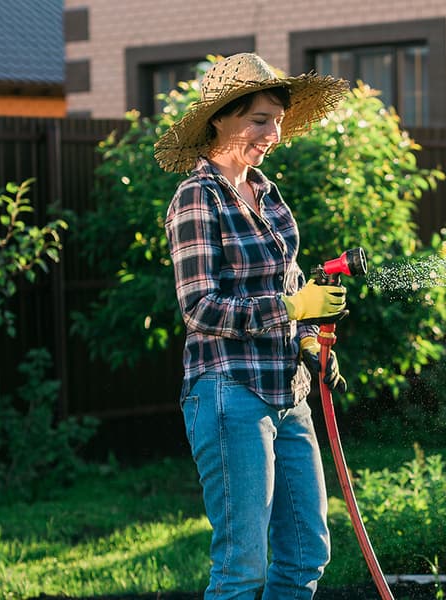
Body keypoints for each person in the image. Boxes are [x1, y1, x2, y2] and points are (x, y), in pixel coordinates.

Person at [157, 53, 349, 599]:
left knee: (307, 553)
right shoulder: (197, 197)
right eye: (260, 119)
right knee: (243, 566)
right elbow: (200, 308)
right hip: (229, 393)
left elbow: (289, 291)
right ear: (221, 119)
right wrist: (289, 310)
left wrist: (311, 335)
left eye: (279, 120)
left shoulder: (269, 195)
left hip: (289, 391)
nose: (274, 132)